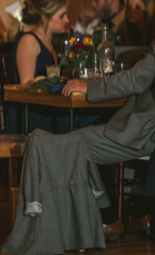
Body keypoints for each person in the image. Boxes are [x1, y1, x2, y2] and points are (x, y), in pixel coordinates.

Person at [61, 45, 155, 239]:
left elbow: (135, 79)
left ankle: (108, 219)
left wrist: (89, 86)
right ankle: (138, 214)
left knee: (71, 144)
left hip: (148, 131)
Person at [13, 0, 96, 134]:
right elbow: (26, 87)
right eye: (62, 16)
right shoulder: (29, 41)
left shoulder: (51, 43)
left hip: (48, 108)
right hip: (32, 115)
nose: (67, 20)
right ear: (45, 18)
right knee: (89, 121)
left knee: (96, 117)